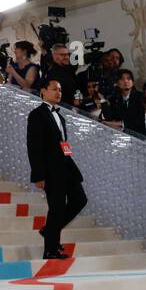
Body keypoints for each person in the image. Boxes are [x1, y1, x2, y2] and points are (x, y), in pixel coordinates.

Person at [26, 78, 87, 261]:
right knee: (56, 208)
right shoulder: (37, 114)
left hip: (66, 166)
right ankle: (51, 250)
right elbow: (34, 146)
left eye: (60, 89)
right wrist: (38, 174)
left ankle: (49, 230)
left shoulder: (60, 116)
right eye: (54, 89)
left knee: (80, 200)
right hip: (50, 170)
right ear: (43, 91)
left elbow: (63, 143)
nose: (58, 92)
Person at [103, 69, 146, 138]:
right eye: (122, 79)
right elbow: (110, 117)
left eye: (129, 79)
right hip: (121, 135)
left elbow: (140, 119)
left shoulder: (141, 97)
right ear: (117, 83)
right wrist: (103, 100)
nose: (126, 81)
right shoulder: (114, 99)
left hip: (141, 136)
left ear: (133, 82)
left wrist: (121, 123)